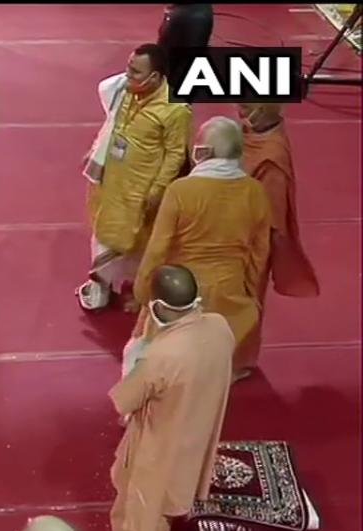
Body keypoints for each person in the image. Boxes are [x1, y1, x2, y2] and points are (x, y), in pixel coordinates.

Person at [129, 117, 271, 383]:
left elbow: (158, 249)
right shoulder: (255, 191)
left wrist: (143, 290)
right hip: (229, 291)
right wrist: (250, 293)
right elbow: (259, 254)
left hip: (181, 292)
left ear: (204, 152)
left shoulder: (181, 190)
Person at [109, 265, 234, 531]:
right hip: (197, 434)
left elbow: (123, 401)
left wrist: (142, 346)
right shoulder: (220, 327)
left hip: (159, 448)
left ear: (157, 307)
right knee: (174, 493)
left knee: (140, 520)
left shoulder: (162, 356)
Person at [78, 43, 192, 312]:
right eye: (128, 68)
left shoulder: (176, 110)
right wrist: (95, 149)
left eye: (135, 72)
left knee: (140, 244)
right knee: (102, 232)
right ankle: (100, 286)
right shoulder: (126, 92)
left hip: (141, 189)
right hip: (111, 180)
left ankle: (142, 293)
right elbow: (111, 124)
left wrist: (157, 190)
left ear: (155, 78)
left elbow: (176, 154)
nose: (127, 76)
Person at [234, 103, 320, 380]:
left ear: (263, 111)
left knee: (246, 300)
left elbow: (272, 219)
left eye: (245, 106)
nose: (239, 111)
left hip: (252, 244)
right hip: (232, 234)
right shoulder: (249, 134)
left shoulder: (272, 158)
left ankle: (240, 361)